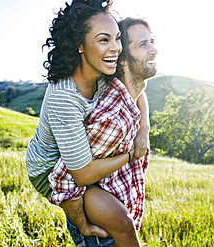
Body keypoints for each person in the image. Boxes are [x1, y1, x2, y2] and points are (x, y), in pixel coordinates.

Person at [25, 0, 150, 238]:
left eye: (117, 38)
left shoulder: (104, 70)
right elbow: (81, 174)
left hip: (85, 157)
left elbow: (137, 90)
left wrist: (144, 127)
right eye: (104, 40)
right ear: (79, 45)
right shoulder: (65, 97)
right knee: (113, 219)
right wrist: (130, 155)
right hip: (50, 168)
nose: (115, 48)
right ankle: (83, 232)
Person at [49, 17, 158, 246]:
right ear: (124, 60)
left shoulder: (129, 97)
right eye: (143, 45)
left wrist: (144, 127)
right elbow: (64, 176)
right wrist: (82, 220)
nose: (154, 50)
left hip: (116, 210)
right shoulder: (112, 119)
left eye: (152, 42)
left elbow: (138, 94)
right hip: (102, 230)